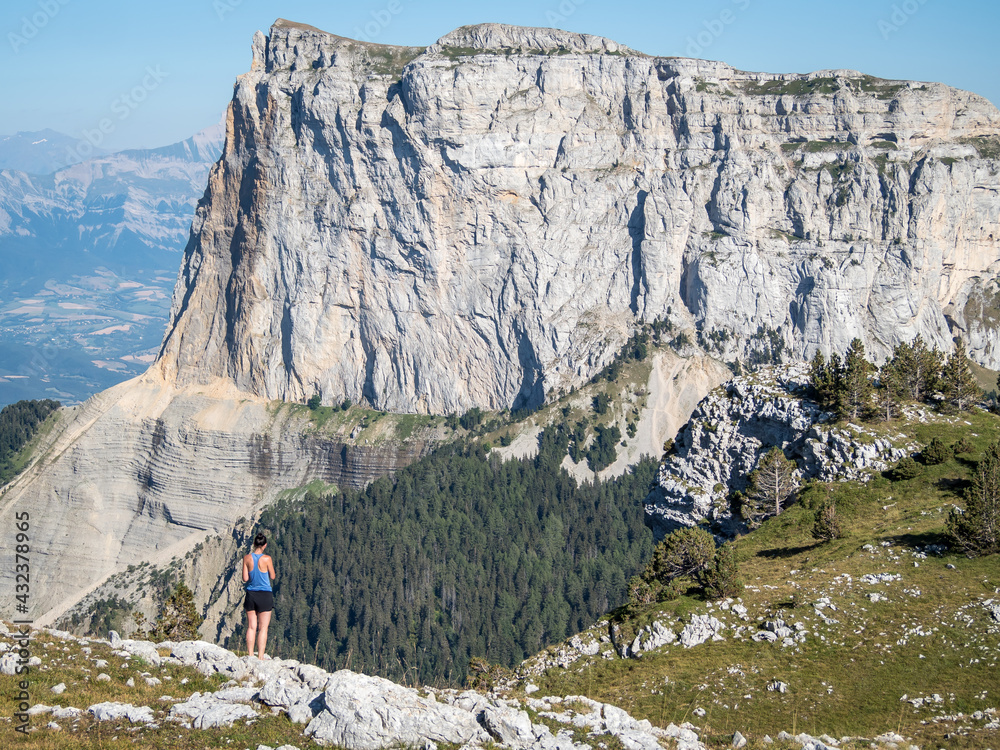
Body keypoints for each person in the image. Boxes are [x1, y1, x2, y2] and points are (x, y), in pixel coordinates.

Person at [242, 533, 276, 659]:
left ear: (254, 544)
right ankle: (260, 657)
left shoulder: (247, 558)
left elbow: (245, 578)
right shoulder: (267, 559)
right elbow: (272, 576)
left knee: (251, 626)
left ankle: (250, 655)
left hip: (251, 594)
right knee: (263, 628)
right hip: (265, 595)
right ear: (265, 545)